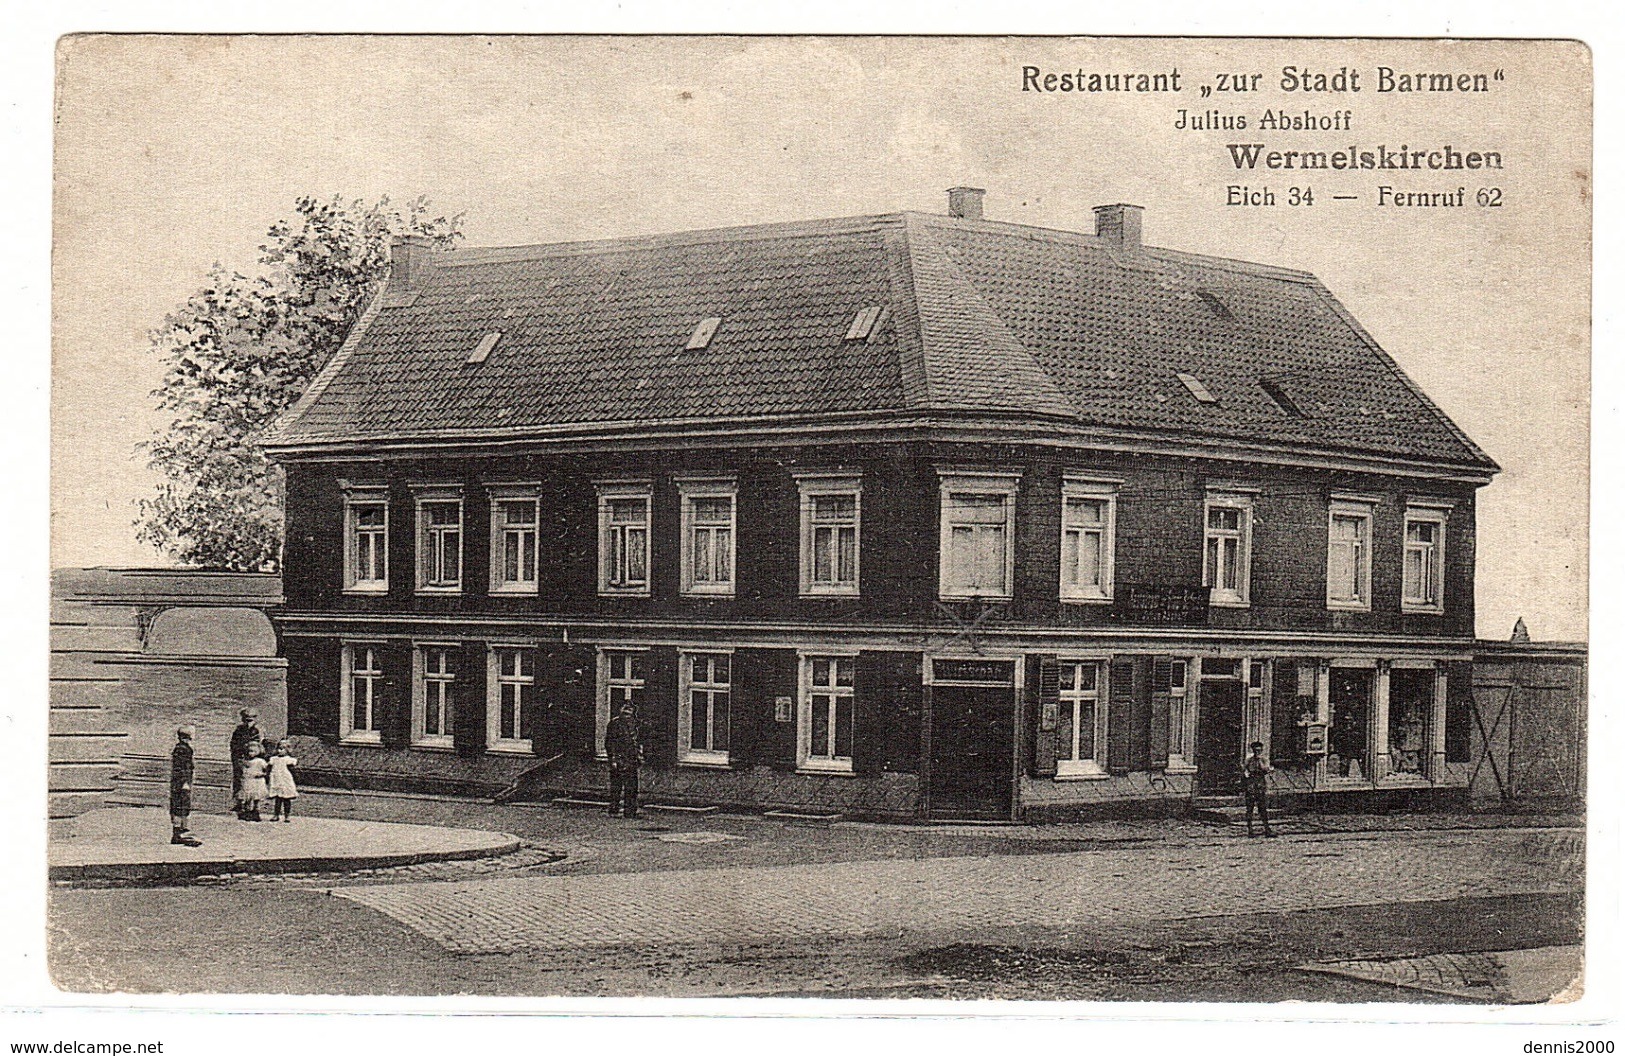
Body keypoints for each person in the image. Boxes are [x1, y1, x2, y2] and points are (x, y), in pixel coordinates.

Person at [604, 702, 643, 818]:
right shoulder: (614, 724)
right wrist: (613, 758)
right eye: (625, 711)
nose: (627, 714)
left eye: (629, 711)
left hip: (631, 759)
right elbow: (609, 743)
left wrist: (639, 755)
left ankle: (630, 811)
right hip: (619, 758)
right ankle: (613, 809)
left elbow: (637, 741)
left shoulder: (635, 724)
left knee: (632, 787)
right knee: (616, 786)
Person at [169, 725, 202, 846]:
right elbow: (182, 768)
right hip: (181, 782)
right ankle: (179, 832)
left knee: (180, 806)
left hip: (179, 782)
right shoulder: (183, 749)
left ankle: (181, 831)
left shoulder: (181, 748)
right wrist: (185, 783)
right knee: (181, 806)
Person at [229, 708, 262, 818]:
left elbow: (257, 745)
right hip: (239, 757)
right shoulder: (239, 729)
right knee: (238, 779)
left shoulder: (257, 730)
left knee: (250, 783)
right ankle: (239, 803)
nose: (248, 722)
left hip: (251, 759)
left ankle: (251, 806)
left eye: (250, 719)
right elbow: (233, 743)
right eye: (246, 719)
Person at [1242, 740, 1275, 838]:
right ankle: (1250, 830)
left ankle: (1267, 829)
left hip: (1260, 784)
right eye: (1256, 750)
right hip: (1251, 784)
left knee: (1262, 808)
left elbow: (1266, 769)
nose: (1257, 752)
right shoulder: (1249, 760)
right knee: (1250, 808)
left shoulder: (1264, 759)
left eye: (1259, 750)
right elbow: (1244, 770)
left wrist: (1260, 760)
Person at [266, 739, 299, 822]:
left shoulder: (288, 759)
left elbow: (292, 770)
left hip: (285, 780)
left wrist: (295, 778)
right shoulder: (274, 759)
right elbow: (269, 768)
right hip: (277, 779)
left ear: (287, 750)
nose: (280, 751)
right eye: (279, 748)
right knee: (278, 799)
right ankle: (276, 815)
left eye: (283, 749)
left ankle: (287, 816)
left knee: (286, 799)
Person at [238, 741, 269, 822]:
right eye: (249, 751)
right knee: (247, 797)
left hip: (257, 781)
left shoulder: (260, 761)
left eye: (253, 751)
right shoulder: (246, 761)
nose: (250, 753)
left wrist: (262, 774)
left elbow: (267, 770)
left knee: (256, 798)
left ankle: (256, 812)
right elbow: (243, 770)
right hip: (248, 781)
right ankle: (247, 812)